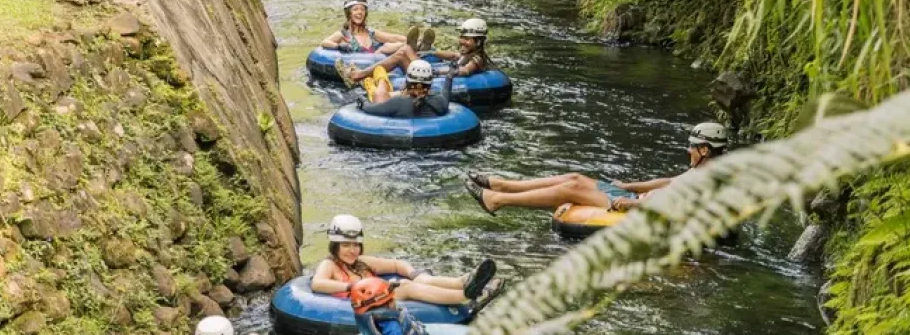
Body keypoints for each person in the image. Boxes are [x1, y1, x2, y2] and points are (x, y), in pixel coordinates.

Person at [463, 122, 729, 215]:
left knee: (573, 188)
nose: (688, 150)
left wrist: (630, 203)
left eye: (692, 146)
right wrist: (629, 186)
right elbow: (670, 182)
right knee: (575, 176)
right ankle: (502, 185)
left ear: (705, 150)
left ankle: (498, 200)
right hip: (635, 200)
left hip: (638, 212)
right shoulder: (705, 171)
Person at [312, 215, 504, 312]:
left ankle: (463, 281)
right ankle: (465, 296)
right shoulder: (330, 265)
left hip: (382, 296)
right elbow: (317, 283)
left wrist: (414, 273)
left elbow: (396, 265)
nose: (352, 250)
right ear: (335, 245)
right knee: (404, 287)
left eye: (356, 245)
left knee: (418, 280)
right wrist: (353, 285)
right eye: (346, 245)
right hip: (363, 305)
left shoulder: (362, 262)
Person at [341, 19, 492, 86]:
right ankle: (420, 47)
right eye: (461, 38)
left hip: (429, 76)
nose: (462, 41)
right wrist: (433, 52)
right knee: (402, 52)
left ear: (478, 42)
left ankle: (358, 76)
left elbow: (465, 70)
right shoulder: (468, 53)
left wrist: (437, 70)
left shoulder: (477, 58)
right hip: (428, 74)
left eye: (467, 39)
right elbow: (453, 55)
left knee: (404, 51)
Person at [322, 0, 414, 56]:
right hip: (360, 68)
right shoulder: (343, 34)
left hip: (376, 63)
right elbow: (325, 42)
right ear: (349, 13)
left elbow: (393, 38)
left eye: (362, 9)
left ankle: (415, 43)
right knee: (385, 48)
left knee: (388, 46)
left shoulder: (370, 32)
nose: (360, 12)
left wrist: (407, 39)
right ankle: (411, 45)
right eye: (355, 9)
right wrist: (338, 46)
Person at [356, 59, 453, 115]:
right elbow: (445, 94)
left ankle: (368, 80)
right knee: (383, 91)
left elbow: (371, 109)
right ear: (430, 83)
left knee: (378, 80)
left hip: (387, 99)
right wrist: (449, 77)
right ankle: (371, 80)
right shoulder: (439, 102)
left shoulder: (398, 102)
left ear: (407, 81)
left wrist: (362, 102)